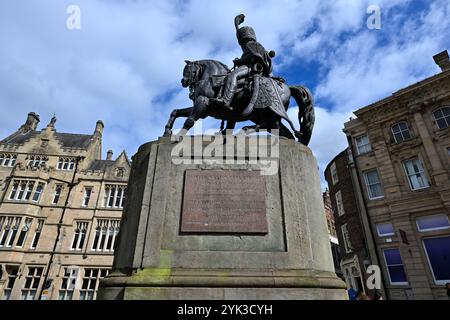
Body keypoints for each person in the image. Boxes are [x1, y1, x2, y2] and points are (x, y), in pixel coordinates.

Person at [211, 14, 274, 111]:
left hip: (252, 67)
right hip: (252, 67)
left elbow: (255, 56)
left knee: (232, 76)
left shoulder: (251, 44)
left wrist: (239, 61)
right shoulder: (254, 45)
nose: (242, 45)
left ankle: (225, 100)